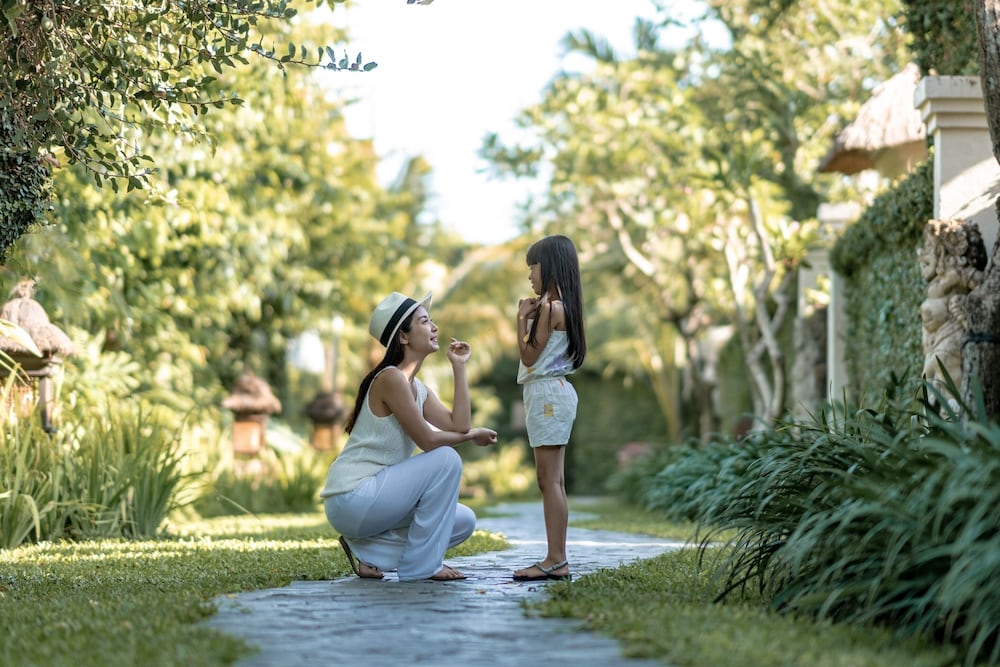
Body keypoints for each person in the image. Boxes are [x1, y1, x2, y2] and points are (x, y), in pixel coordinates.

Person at [320, 291, 498, 582]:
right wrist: (470, 437)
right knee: (446, 460)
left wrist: (459, 367)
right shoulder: (390, 378)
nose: (435, 327)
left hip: (375, 500)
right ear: (403, 336)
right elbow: (429, 441)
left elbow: (460, 424)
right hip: (352, 496)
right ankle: (422, 567)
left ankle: (367, 550)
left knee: (463, 521)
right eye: (425, 322)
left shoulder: (418, 389)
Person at [512, 235, 586, 582]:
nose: (530, 275)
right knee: (554, 480)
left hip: (547, 397)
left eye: (534, 267)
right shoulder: (565, 307)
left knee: (548, 480)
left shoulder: (550, 308)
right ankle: (557, 558)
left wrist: (520, 320)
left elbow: (529, 357)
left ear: (550, 267)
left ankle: (556, 560)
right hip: (554, 394)